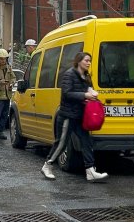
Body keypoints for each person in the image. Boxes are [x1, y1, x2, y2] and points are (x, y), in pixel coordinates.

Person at [41, 52, 109, 183]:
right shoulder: (69, 74)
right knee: (61, 143)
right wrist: (85, 95)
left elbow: (89, 88)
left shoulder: (86, 75)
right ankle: (47, 166)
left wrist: (92, 93)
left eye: (90, 61)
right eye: (86, 60)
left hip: (80, 116)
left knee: (86, 142)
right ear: (79, 61)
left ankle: (90, 171)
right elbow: (66, 93)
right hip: (67, 116)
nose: (89, 63)